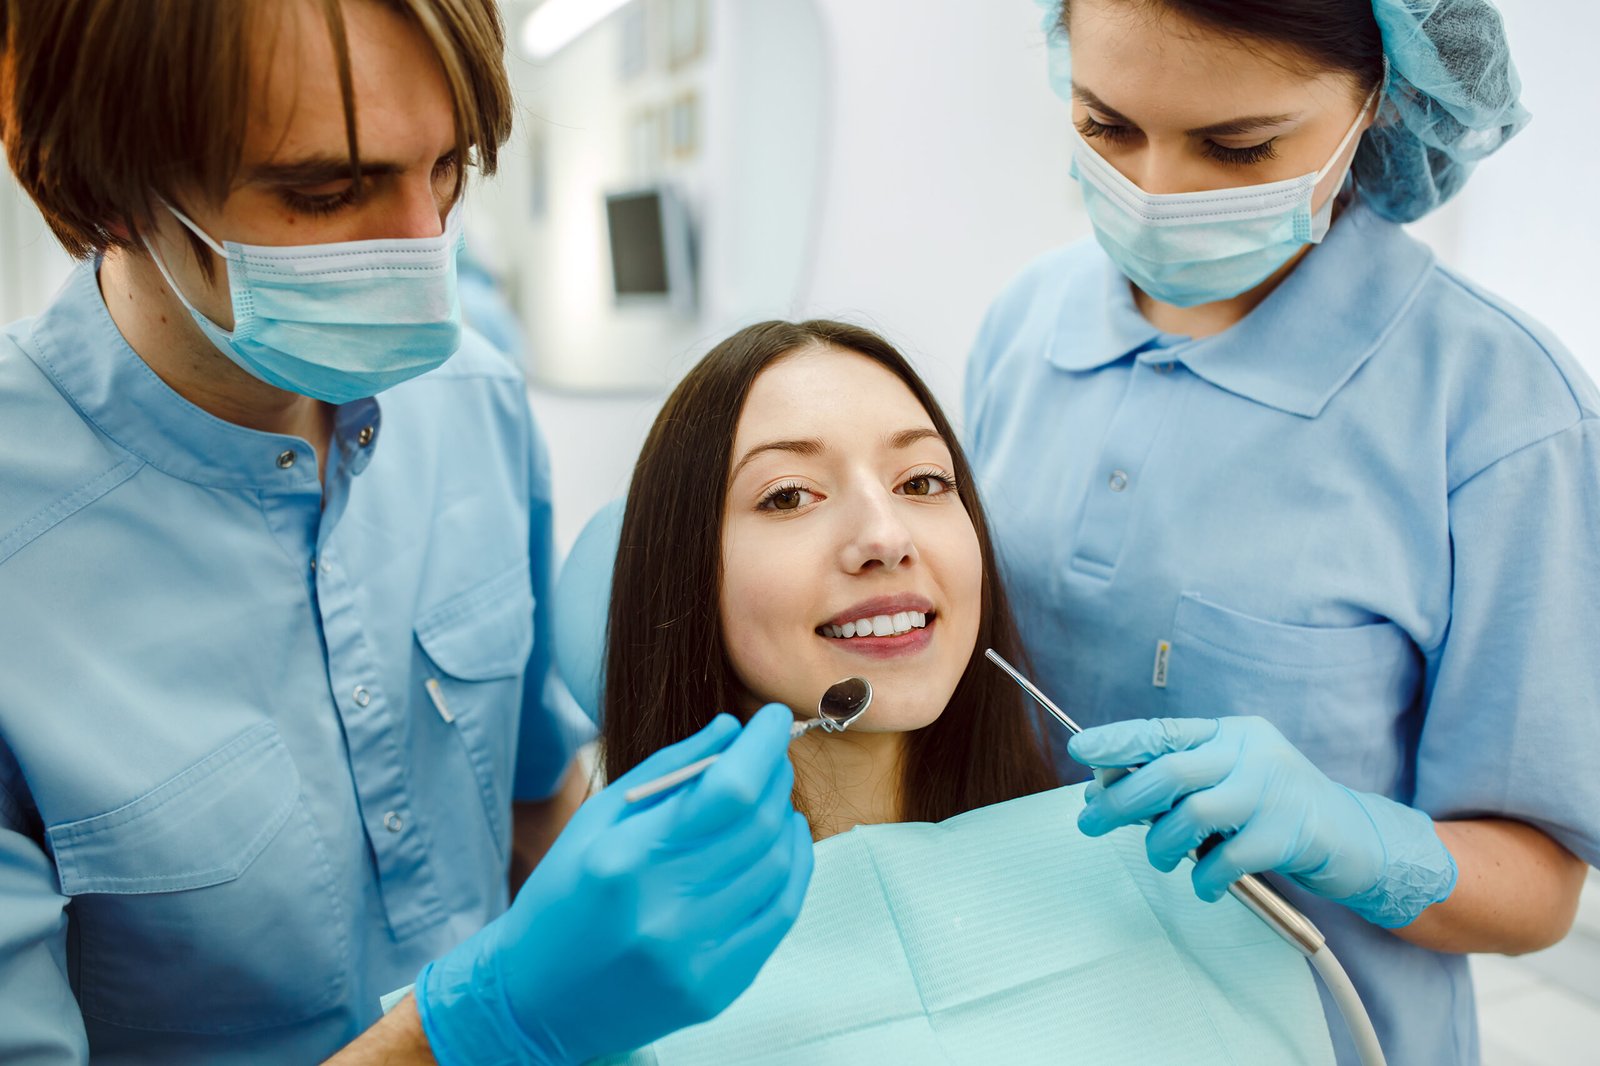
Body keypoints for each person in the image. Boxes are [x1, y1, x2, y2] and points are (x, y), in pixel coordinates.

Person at [0, 2, 808, 1063]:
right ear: (108, 188)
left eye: (448, 171)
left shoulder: (472, 402)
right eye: (329, 192)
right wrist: (480, 1023)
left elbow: (532, 795)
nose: (425, 249)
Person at [964, 1, 1599, 1063]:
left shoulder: (1502, 415)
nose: (1153, 191)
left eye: (1237, 145)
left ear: (1380, 103)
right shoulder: (1023, 326)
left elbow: (1535, 893)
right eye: (1104, 126)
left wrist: (1347, 837)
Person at [582, 320, 1338, 1062]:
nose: (885, 536)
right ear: (683, 575)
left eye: (922, 482)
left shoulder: (1172, 878)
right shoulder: (621, 989)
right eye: (788, 496)